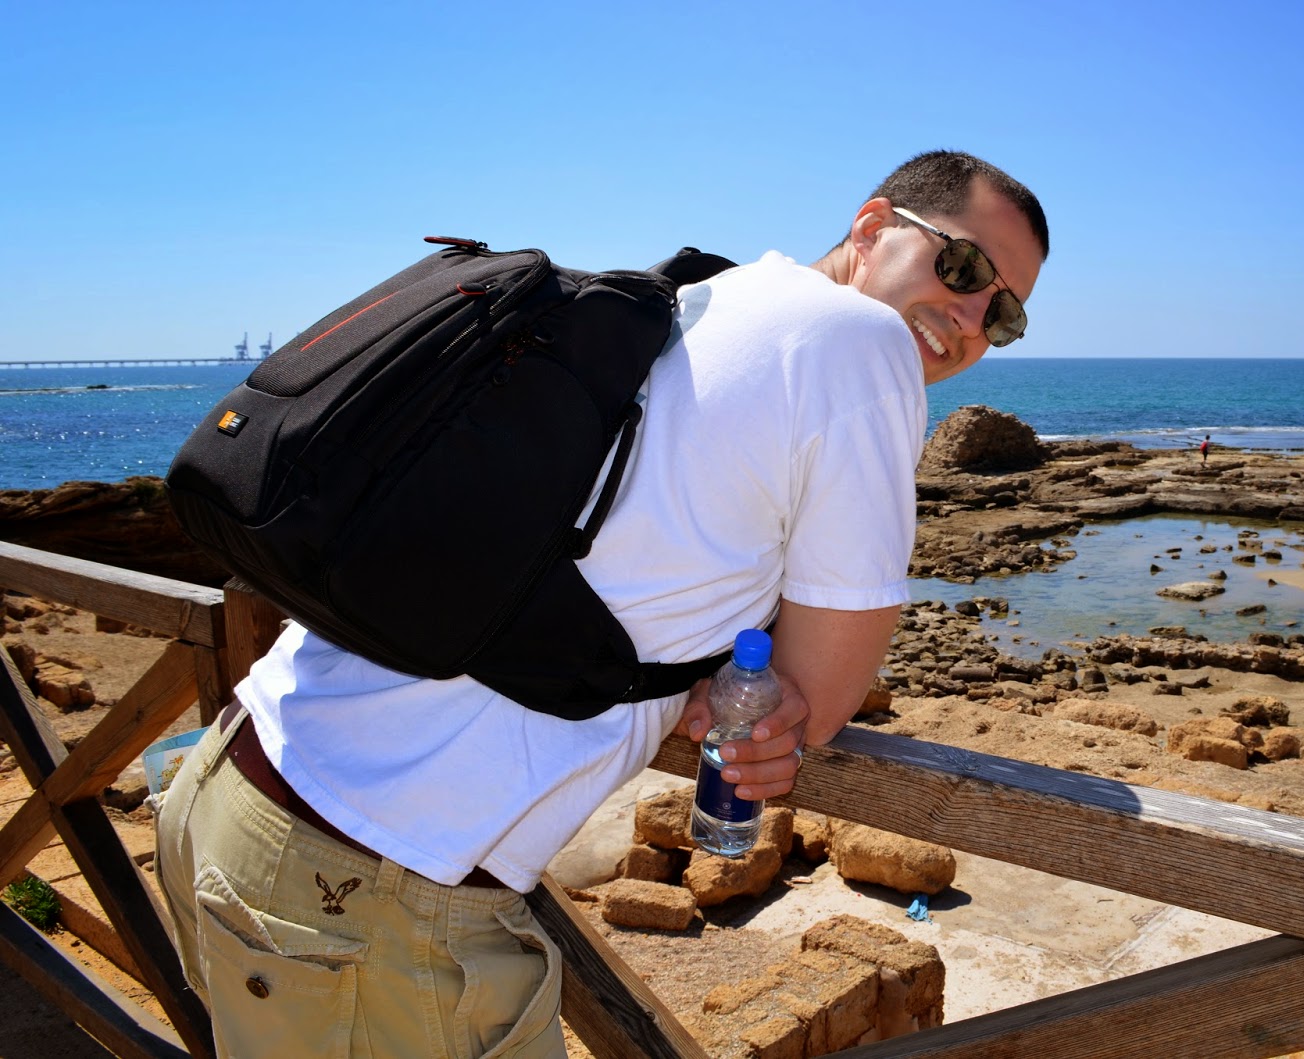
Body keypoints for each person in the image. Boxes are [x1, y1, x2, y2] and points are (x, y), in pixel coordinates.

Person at [154, 150, 1049, 1058]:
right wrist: (750, 674)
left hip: (241, 788)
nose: (971, 316)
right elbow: (820, 691)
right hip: (364, 896)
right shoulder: (863, 344)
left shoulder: (709, 297)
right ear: (872, 226)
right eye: (962, 266)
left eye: (1004, 313)